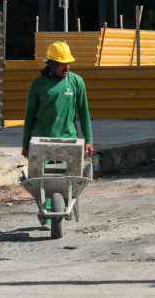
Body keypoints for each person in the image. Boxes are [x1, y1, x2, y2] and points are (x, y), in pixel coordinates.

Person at [22, 41, 93, 229]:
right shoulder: (37, 86)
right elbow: (29, 116)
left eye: (69, 63)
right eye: (63, 63)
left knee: (70, 178)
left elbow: (84, 113)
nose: (67, 67)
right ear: (51, 64)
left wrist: (89, 139)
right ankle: (44, 214)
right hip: (42, 140)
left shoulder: (76, 82)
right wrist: (25, 143)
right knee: (39, 179)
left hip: (68, 141)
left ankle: (66, 203)